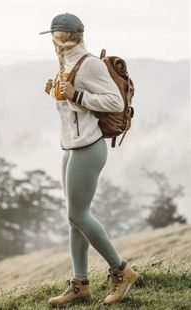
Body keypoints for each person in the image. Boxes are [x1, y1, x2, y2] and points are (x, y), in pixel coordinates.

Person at [39, 12, 139, 307]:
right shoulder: (66, 62)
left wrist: (77, 95)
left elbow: (114, 101)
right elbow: (73, 105)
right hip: (71, 147)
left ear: (59, 37)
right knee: (75, 219)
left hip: (88, 148)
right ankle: (80, 285)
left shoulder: (90, 63)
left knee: (77, 215)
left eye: (53, 37)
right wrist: (57, 94)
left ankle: (122, 271)